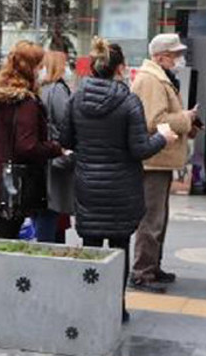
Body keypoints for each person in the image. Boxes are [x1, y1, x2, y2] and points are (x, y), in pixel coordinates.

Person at [61, 37, 176, 323]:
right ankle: (116, 307)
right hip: (122, 189)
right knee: (119, 250)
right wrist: (162, 137)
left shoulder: (76, 97)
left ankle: (87, 305)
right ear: (121, 68)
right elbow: (139, 149)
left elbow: (65, 140)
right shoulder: (128, 101)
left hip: (88, 185)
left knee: (90, 249)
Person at [0, 40, 64, 239]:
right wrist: (56, 149)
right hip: (9, 184)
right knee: (2, 238)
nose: (42, 71)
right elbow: (27, 147)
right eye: (40, 66)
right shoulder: (25, 103)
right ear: (30, 68)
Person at [130, 33, 197, 293]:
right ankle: (142, 272)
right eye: (175, 55)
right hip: (153, 159)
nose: (179, 59)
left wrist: (185, 120)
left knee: (158, 217)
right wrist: (186, 118)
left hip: (159, 159)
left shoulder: (159, 78)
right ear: (160, 57)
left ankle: (151, 266)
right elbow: (153, 120)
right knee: (151, 218)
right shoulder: (151, 80)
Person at [32, 50, 75, 243]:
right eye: (64, 65)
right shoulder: (57, 90)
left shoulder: (41, 89)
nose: (67, 69)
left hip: (42, 159)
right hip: (55, 159)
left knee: (44, 211)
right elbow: (66, 123)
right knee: (51, 211)